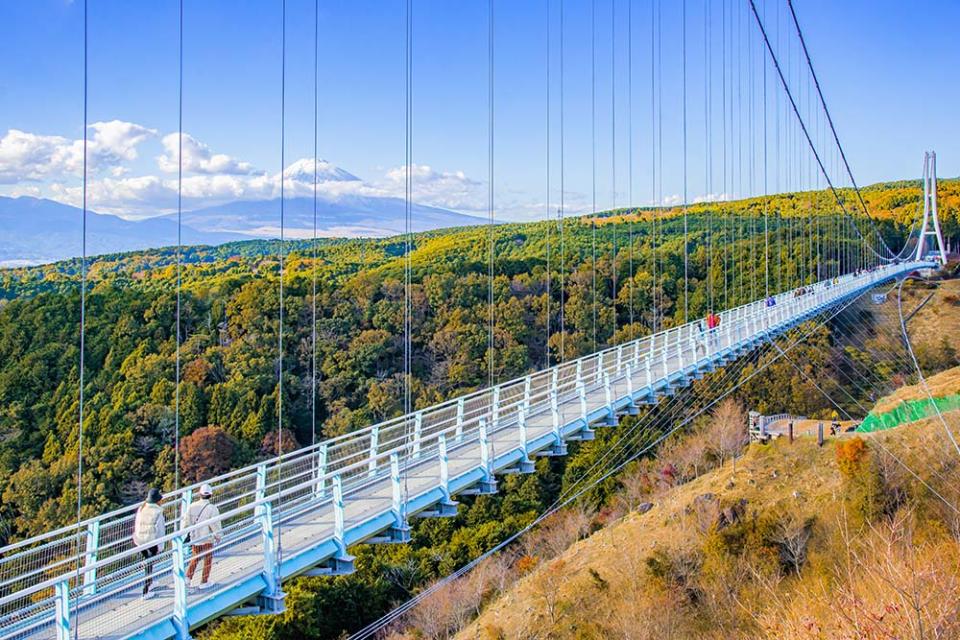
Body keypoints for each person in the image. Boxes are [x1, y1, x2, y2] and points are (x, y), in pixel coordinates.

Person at [182, 483, 222, 591]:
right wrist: (218, 536)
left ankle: (187, 578)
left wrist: (190, 533)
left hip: (195, 538)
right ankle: (204, 582)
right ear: (210, 495)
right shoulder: (212, 508)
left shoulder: (192, 506)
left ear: (199, 494)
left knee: (195, 558)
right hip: (207, 539)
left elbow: (186, 522)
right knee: (207, 559)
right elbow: (215, 525)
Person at [132, 488, 165, 599]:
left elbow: (137, 524)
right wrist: (161, 546)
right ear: (157, 501)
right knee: (149, 563)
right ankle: (145, 592)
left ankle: (150, 583)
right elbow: (160, 531)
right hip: (151, 541)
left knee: (148, 563)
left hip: (140, 541)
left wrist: (137, 539)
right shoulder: (158, 512)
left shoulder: (142, 508)